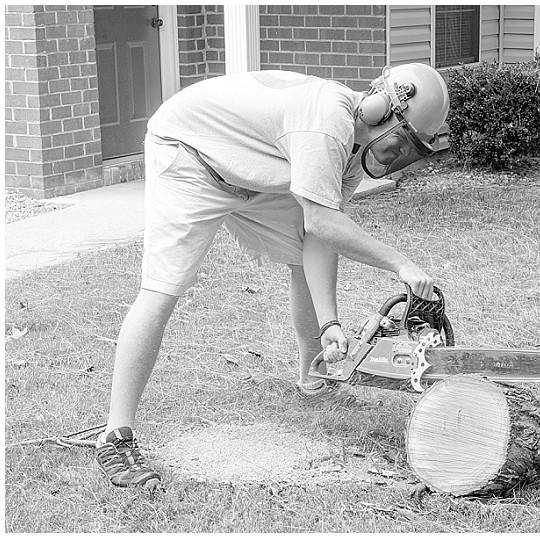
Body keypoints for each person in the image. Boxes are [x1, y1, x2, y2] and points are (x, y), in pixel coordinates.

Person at [94, 63, 450, 488]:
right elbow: (321, 221)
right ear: (379, 109)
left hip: (253, 169)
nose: (395, 155)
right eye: (400, 139)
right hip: (190, 154)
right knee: (162, 290)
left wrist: (330, 323)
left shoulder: (351, 150)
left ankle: (313, 379)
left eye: (407, 148)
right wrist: (400, 263)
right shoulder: (326, 127)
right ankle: (115, 437)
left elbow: (317, 234)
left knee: (303, 253)